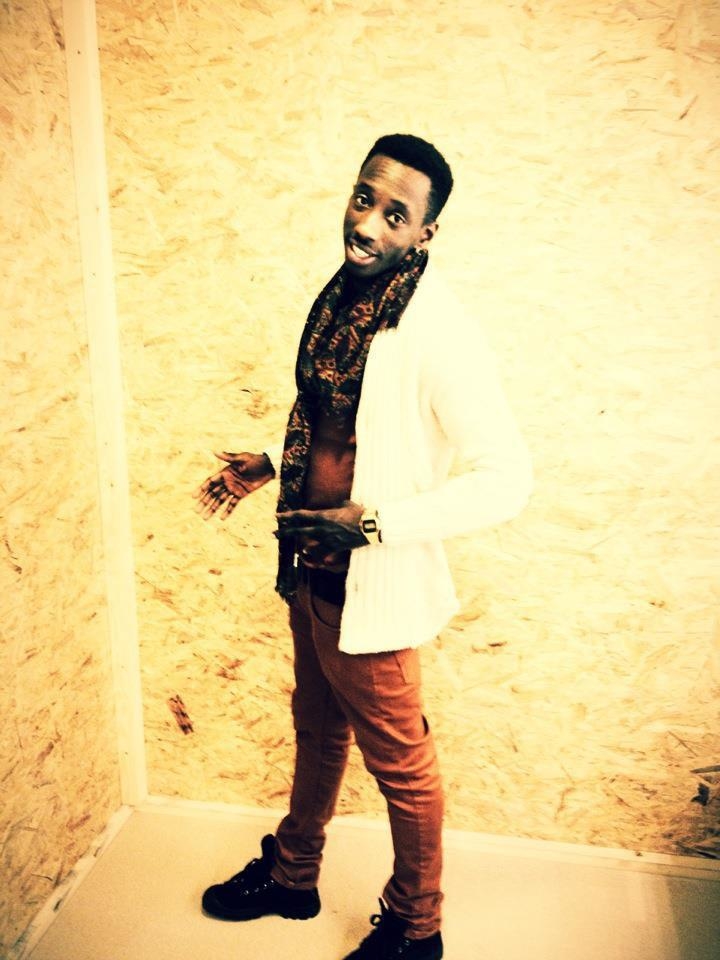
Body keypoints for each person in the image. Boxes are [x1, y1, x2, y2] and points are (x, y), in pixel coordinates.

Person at [194, 133, 532, 960]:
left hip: (369, 585)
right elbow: (348, 422)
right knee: (317, 730)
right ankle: (293, 875)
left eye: (395, 214)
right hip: (309, 568)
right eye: (363, 198)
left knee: (403, 768)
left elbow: (506, 479)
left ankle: (417, 929)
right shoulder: (344, 300)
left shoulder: (438, 332)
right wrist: (271, 463)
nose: (368, 224)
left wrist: (372, 524)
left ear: (425, 232)